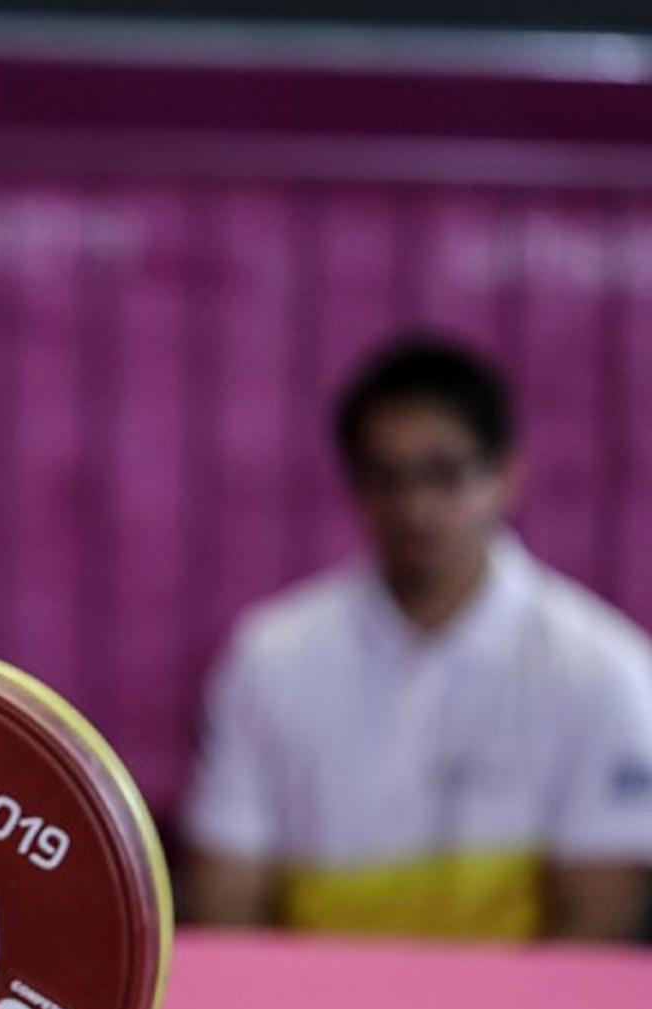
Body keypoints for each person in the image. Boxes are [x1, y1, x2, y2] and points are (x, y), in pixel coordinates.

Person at [184, 336, 652, 940]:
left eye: (444, 474)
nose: (415, 507)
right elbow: (227, 909)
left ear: (506, 476)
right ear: (356, 487)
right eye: (388, 478)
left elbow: (599, 928)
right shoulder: (269, 658)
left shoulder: (604, 670)